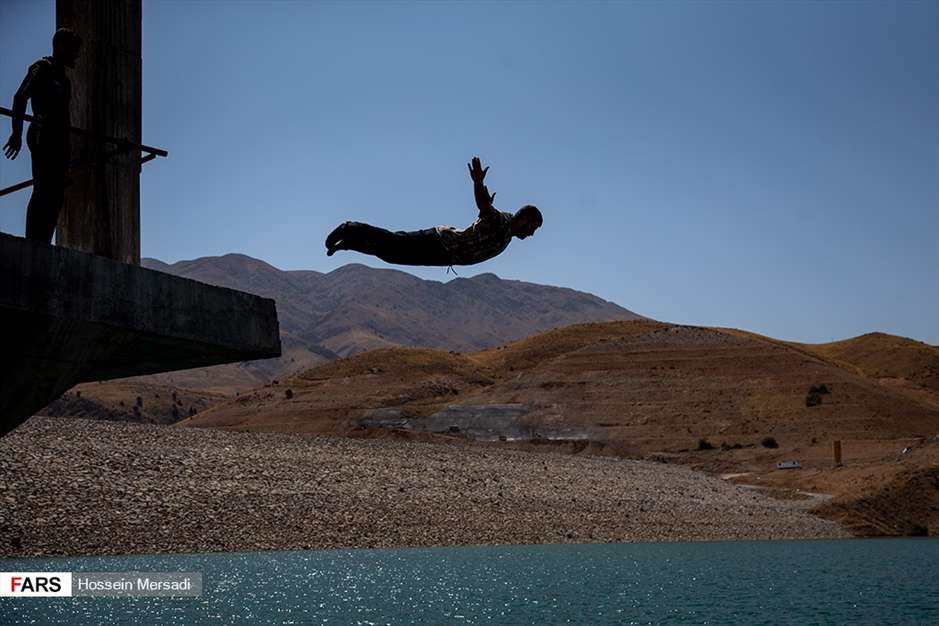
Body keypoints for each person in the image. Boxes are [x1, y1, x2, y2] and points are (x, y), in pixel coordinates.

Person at [325, 157, 542, 267]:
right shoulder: (501, 222)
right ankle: (350, 228)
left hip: (445, 255)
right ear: (524, 219)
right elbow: (484, 208)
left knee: (391, 255)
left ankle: (350, 243)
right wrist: (478, 183)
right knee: (393, 242)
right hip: (439, 241)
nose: (532, 234)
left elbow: (486, 207)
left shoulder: (506, 234)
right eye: (533, 227)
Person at [3, 28, 82, 244]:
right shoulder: (41, 69)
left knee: (56, 196)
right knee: (43, 189)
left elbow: (65, 121)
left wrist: (66, 161)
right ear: (60, 46)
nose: (77, 55)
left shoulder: (64, 80)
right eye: (74, 50)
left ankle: (43, 241)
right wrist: (16, 134)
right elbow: (20, 97)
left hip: (58, 141)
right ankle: (33, 241)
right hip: (41, 136)